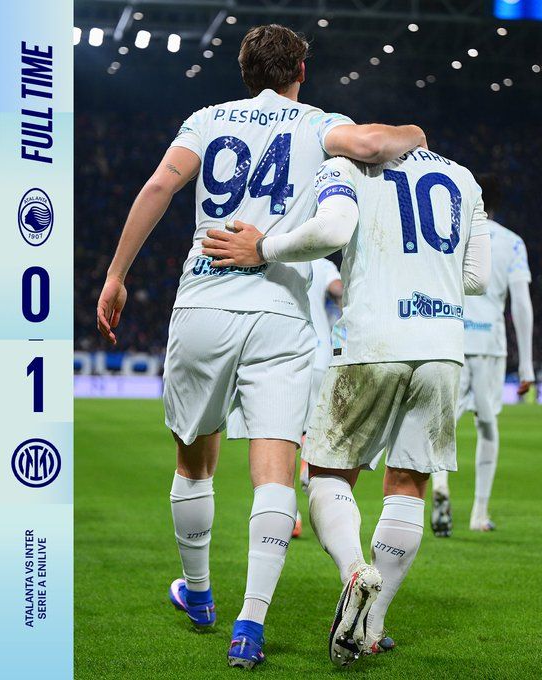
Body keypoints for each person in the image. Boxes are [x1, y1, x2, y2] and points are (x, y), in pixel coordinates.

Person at [96, 23, 426, 670]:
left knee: (193, 462)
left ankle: (198, 594)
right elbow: (372, 145)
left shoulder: (206, 119)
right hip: (279, 310)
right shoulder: (319, 123)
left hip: (204, 300)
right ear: (301, 69)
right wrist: (415, 132)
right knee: (274, 471)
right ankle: (250, 624)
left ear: (245, 71)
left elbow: (159, 188)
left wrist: (116, 275)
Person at [201, 146, 491, 666]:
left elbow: (332, 233)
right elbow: (477, 278)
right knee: (408, 485)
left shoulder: (347, 165)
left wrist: (263, 247)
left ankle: (356, 571)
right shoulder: (465, 177)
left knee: (327, 475)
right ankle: (372, 627)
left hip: (373, 341)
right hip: (443, 347)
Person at [431, 174, 535, 536]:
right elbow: (521, 304)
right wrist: (526, 367)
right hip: (490, 344)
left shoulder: (448, 234)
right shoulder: (512, 243)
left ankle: (440, 483)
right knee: (488, 427)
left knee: (443, 423)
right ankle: (479, 513)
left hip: (452, 339)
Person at [295, 258, 343, 536]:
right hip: (320, 352)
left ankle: (290, 514)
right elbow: (339, 291)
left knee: (280, 434)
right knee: (314, 426)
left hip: (287, 351)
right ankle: (308, 462)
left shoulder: (281, 253)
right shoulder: (324, 265)